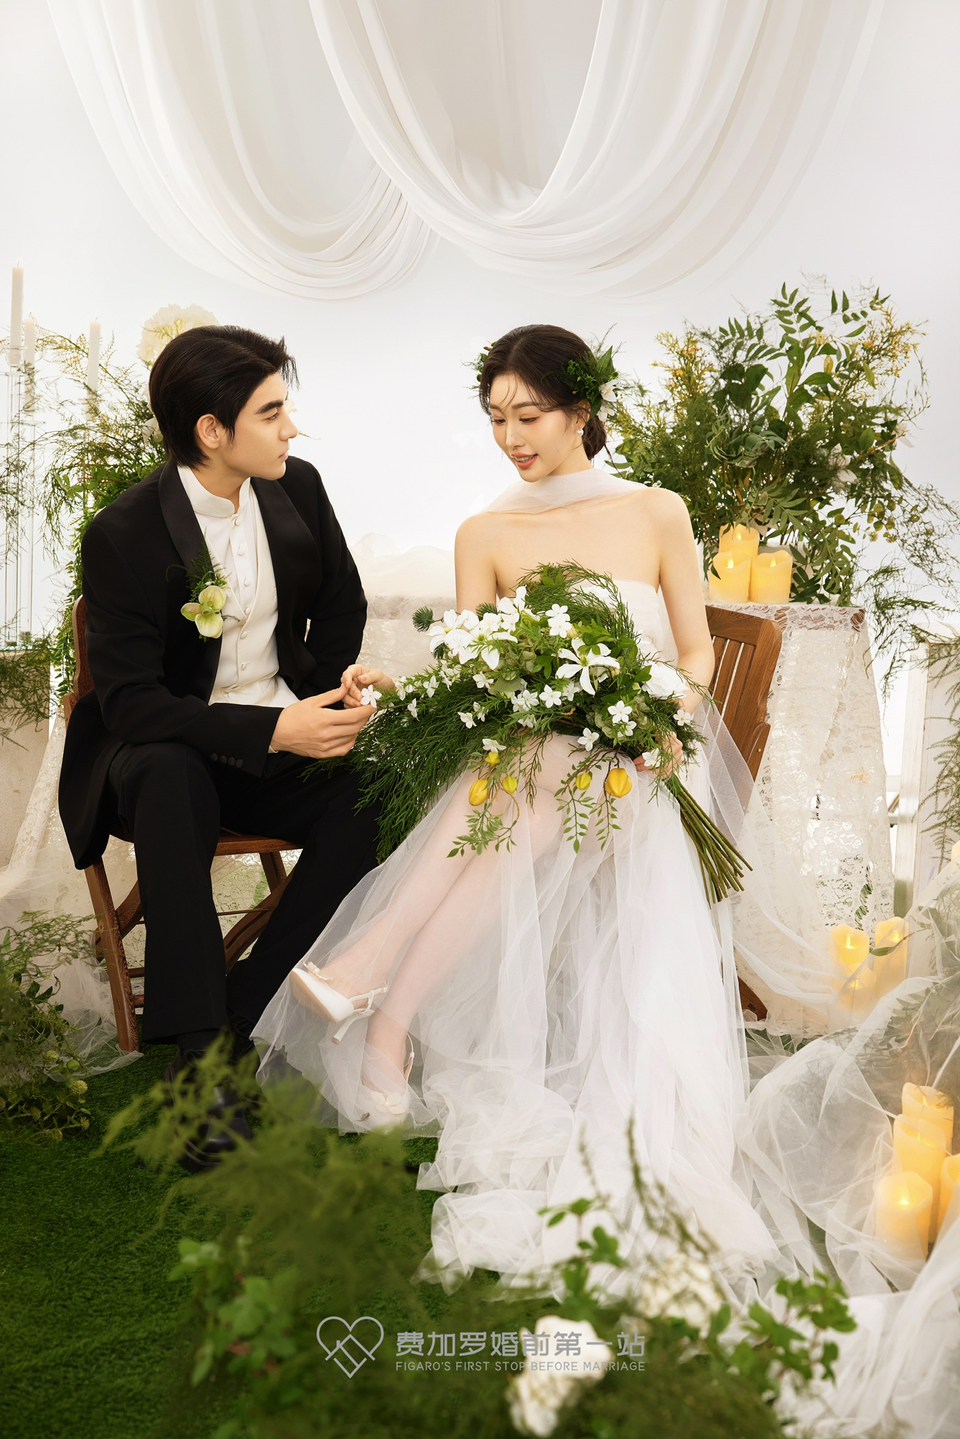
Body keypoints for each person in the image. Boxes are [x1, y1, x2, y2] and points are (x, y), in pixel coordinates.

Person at [254, 323, 779, 1279]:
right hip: (538, 768)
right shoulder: (486, 533)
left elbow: (696, 649)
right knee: (519, 770)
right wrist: (408, 689)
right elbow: (480, 674)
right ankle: (386, 1017)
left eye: (528, 415)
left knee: (528, 778)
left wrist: (665, 708)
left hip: (642, 766)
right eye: (496, 418)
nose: (511, 438)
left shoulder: (657, 511)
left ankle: (374, 985)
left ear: (582, 411)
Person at [58, 325, 379, 1166]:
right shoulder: (124, 531)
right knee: (171, 776)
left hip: (275, 741)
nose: (291, 427)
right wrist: (272, 728)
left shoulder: (297, 487)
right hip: (158, 751)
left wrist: (324, 697)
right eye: (271, 412)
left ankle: (240, 1011)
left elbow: (342, 605)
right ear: (211, 430)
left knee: (379, 791)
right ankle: (200, 1067)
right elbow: (132, 703)